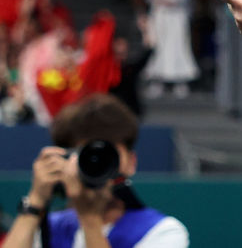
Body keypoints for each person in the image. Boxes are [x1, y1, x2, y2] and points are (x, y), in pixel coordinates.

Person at [3, 92, 189, 248]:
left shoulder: (162, 231)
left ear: (131, 162)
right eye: (85, 154)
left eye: (106, 155)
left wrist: (90, 219)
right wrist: (35, 202)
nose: (95, 164)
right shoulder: (52, 227)